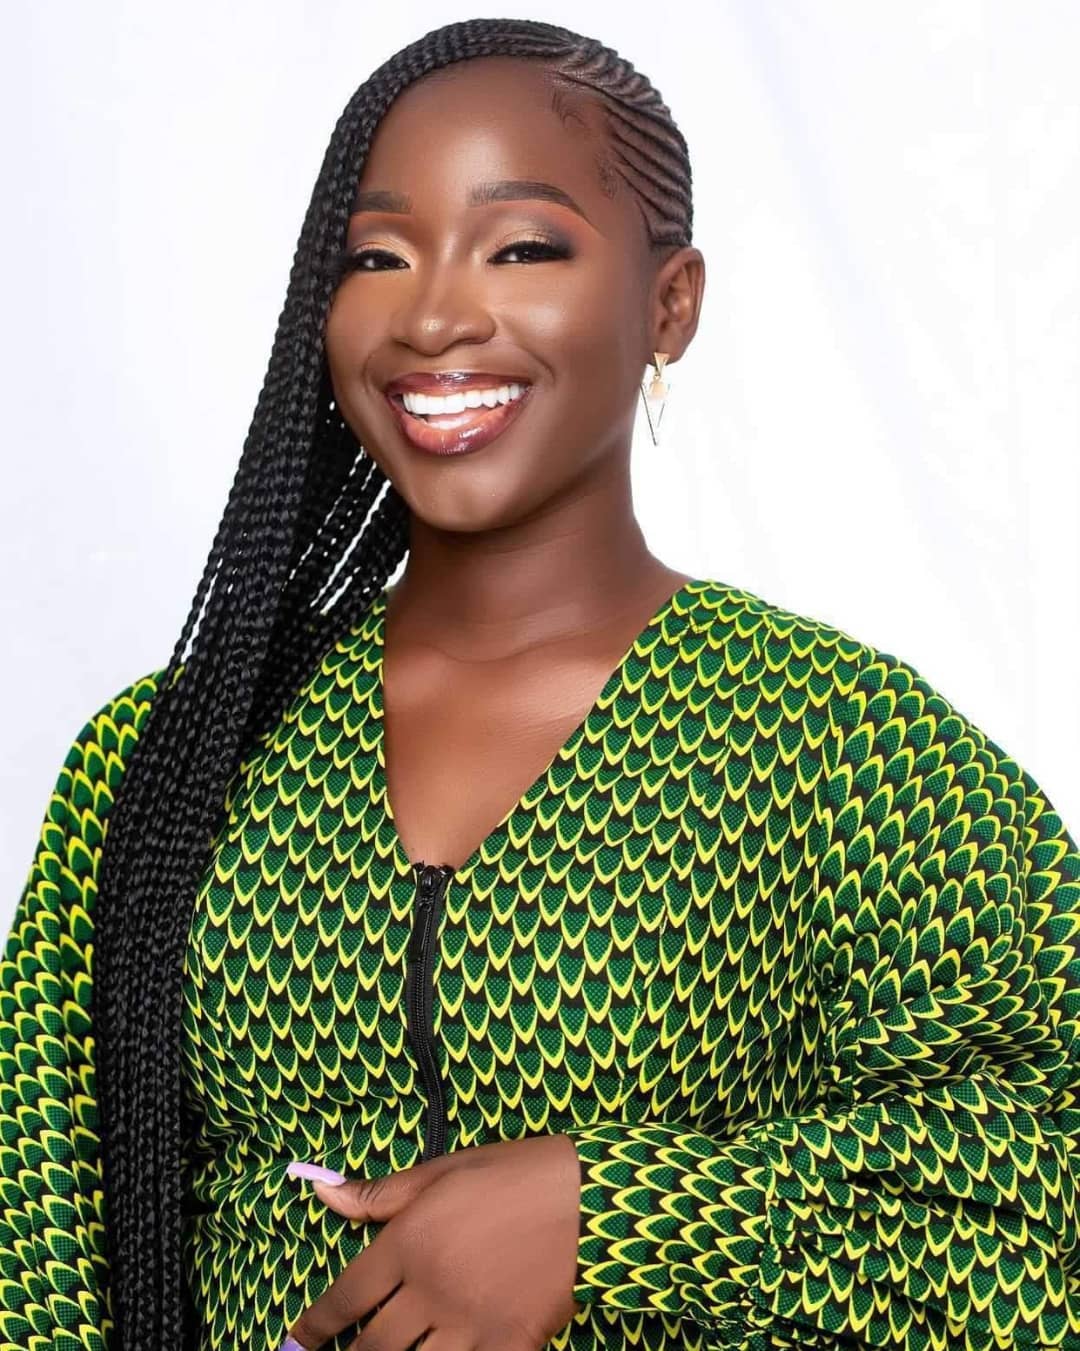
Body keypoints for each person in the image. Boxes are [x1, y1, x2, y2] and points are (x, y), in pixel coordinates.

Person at [3, 15, 1079, 1351]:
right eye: (376, 257)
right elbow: (37, 1235)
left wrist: (616, 1218)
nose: (436, 314)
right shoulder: (164, 761)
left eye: (522, 248)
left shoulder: (850, 750)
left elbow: (1037, 1183)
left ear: (670, 304)